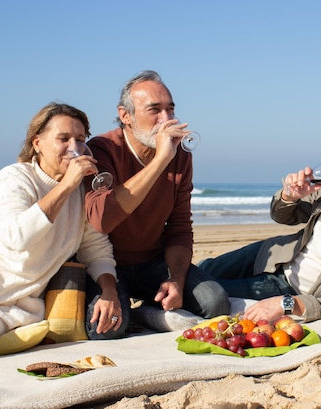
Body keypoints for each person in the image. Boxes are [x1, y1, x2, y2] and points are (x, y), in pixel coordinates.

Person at [0, 103, 121, 366]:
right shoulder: (16, 178)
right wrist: (67, 184)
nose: (73, 147)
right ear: (38, 143)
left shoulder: (81, 194)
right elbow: (17, 237)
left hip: (4, 308)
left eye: (80, 139)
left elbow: (96, 249)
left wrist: (109, 289)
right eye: (63, 139)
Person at [198, 127, 321, 325]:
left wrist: (289, 303)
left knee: (209, 292)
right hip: (273, 255)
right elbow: (281, 215)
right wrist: (289, 196)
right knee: (203, 269)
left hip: (288, 288)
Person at [84, 70, 230, 338]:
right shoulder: (102, 149)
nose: (167, 119)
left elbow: (179, 226)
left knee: (216, 302)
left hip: (153, 261)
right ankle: (133, 309)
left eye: (170, 109)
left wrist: (176, 278)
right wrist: (161, 159)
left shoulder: (179, 155)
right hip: (106, 265)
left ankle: (146, 311)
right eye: (155, 110)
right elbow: (101, 219)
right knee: (105, 329)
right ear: (125, 115)